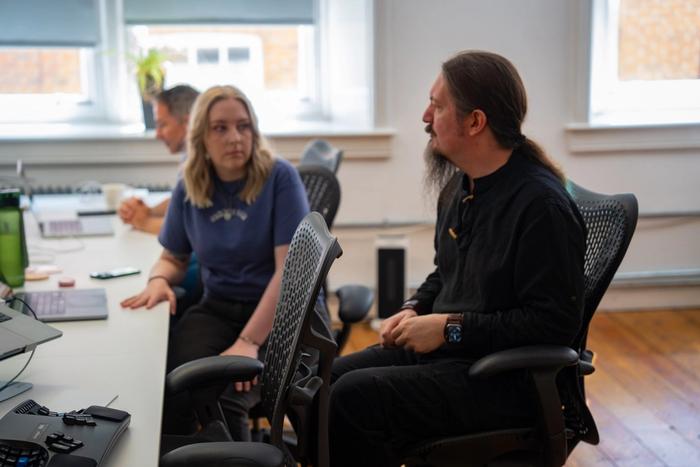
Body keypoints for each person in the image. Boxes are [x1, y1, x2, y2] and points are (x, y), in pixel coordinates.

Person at [328, 50, 587, 467]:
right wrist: (414, 309)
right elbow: (445, 274)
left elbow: (553, 324)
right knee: (328, 382)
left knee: (353, 399)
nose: (425, 116)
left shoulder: (541, 206)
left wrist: (449, 329)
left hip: (503, 379)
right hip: (459, 356)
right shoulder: (460, 188)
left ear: (475, 122)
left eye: (438, 105)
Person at [120, 85, 310, 440]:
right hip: (219, 308)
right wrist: (158, 280)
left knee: (225, 395)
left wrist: (249, 341)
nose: (235, 137)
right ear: (201, 138)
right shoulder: (190, 185)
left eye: (243, 126)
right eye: (220, 128)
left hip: (283, 317)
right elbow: (173, 256)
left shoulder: (279, 177)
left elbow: (290, 273)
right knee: (173, 383)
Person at [118, 84, 200, 234]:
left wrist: (143, 221)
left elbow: (191, 227)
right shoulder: (190, 154)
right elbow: (182, 202)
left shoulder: (207, 161)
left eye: (162, 125)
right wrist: (148, 211)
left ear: (188, 124)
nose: (157, 134)